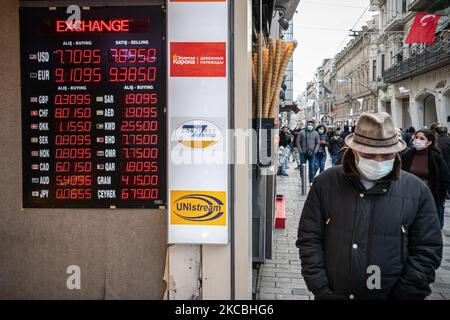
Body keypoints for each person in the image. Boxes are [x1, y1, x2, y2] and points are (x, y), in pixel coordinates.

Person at [296, 112, 443, 300]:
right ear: (354, 150)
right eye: (369, 154)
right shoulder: (326, 183)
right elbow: (309, 237)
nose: (378, 161)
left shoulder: (416, 190)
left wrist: (405, 294)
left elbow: (427, 249)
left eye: (386, 154)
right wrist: (321, 289)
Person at [401, 129, 450, 230]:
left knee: (427, 226)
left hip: (429, 197)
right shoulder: (407, 155)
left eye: (422, 138)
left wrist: (440, 196)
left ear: (429, 142)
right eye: (416, 137)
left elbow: (444, 178)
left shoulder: (436, 157)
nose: (417, 140)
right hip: (408, 197)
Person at [296, 120, 320, 186]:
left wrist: (315, 151)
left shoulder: (316, 133)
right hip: (303, 153)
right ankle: (302, 179)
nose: (310, 126)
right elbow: (298, 142)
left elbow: (318, 143)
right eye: (309, 124)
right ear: (306, 125)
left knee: (311, 167)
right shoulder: (301, 132)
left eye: (312, 125)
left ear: (313, 126)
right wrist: (300, 151)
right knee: (302, 167)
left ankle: (311, 181)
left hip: (312, 153)